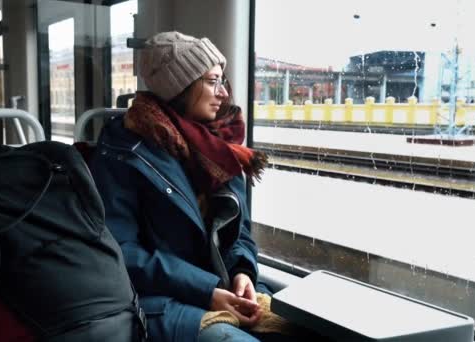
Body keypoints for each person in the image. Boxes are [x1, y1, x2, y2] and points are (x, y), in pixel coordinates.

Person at [90, 31, 316, 342]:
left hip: (222, 289)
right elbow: (122, 252)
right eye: (212, 81)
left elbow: (240, 235)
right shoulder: (123, 153)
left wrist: (243, 274)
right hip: (159, 301)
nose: (224, 93)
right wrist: (206, 290)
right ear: (180, 88)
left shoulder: (220, 150)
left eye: (223, 81)